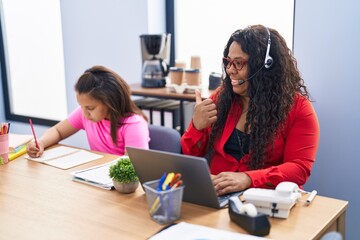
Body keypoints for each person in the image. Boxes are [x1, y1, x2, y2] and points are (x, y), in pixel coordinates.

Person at [181, 25, 320, 196]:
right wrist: (197, 126)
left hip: (265, 200)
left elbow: (299, 168)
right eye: (228, 62)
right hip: (217, 196)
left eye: (238, 63)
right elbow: (190, 154)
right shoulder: (221, 98)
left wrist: (248, 178)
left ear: (265, 66)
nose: (230, 70)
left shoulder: (298, 109)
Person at [27, 65, 149, 157]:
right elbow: (58, 131)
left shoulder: (133, 125)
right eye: (81, 106)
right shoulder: (85, 113)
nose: (85, 114)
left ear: (109, 102)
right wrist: (41, 142)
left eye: (90, 108)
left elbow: (132, 169)